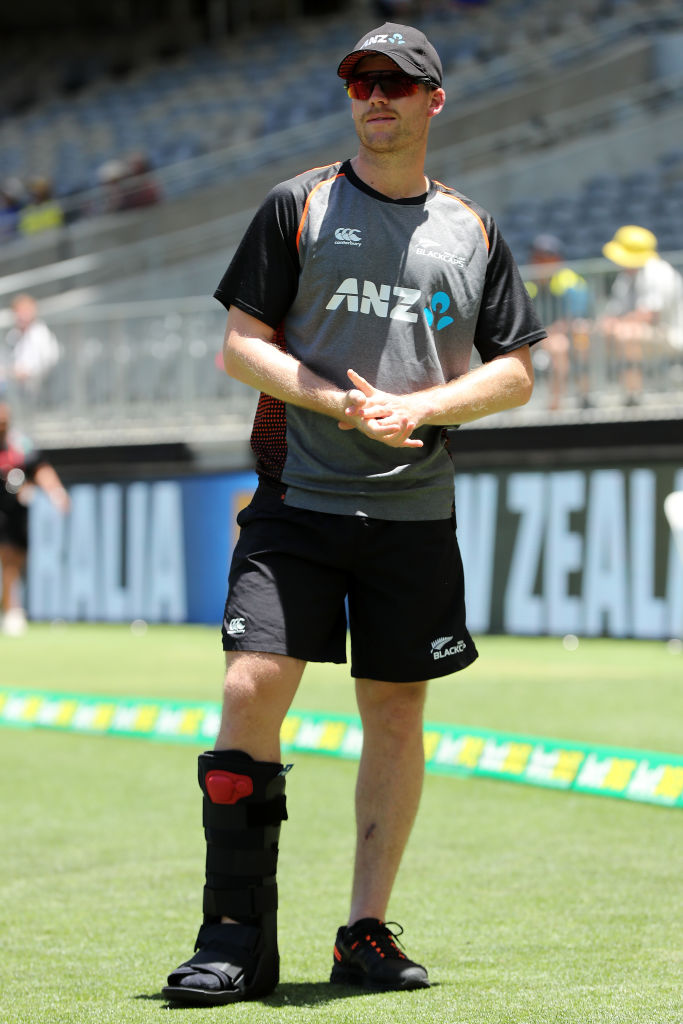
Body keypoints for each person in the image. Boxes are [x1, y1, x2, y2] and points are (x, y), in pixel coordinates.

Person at [162, 21, 545, 1007]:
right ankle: (234, 936)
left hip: (412, 514)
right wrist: (337, 400)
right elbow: (241, 347)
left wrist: (415, 407)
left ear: (432, 102)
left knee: (394, 710)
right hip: (297, 493)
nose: (373, 97)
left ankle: (361, 932)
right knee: (252, 684)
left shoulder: (472, 231)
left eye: (394, 83)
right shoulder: (298, 204)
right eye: (358, 82)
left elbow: (514, 372)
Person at [0, 400, 69, 635]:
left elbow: (40, 469)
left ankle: (9, 606)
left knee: (15, 559)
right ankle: (11, 608)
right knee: (7, 557)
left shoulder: (21, 444)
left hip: (15, 512)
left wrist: (56, 492)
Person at [600, 225, 683, 404]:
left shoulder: (659, 271)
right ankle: (591, 396)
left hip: (671, 335)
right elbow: (614, 313)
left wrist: (615, 324)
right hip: (649, 334)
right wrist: (606, 325)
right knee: (594, 334)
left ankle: (633, 396)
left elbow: (649, 316)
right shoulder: (626, 277)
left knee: (627, 334)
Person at [525, 234, 592, 410]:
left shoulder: (570, 280)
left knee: (580, 336)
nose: (541, 263)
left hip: (566, 333)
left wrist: (552, 331)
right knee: (558, 346)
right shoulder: (527, 283)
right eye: (537, 258)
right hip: (538, 338)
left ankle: (585, 396)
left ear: (558, 259)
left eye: (546, 258)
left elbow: (576, 318)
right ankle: (555, 405)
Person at [2, 293, 61, 400]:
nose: (21, 315)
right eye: (18, 312)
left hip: (37, 392)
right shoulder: (13, 334)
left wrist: (23, 372)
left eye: (25, 311)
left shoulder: (41, 334)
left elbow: (47, 362)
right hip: (15, 389)